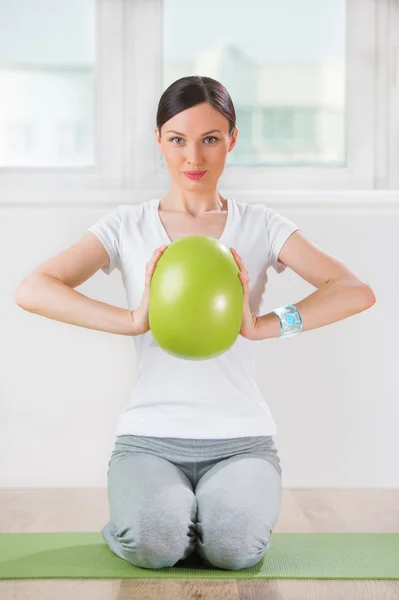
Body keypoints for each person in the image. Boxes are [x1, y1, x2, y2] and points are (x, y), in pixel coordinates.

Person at [14, 75, 375, 571]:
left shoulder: (260, 225)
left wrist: (263, 325)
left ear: (232, 139)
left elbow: (354, 290)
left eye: (210, 139)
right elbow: (34, 288)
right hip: (148, 438)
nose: (193, 159)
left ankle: (196, 520)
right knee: (154, 544)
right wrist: (131, 321)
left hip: (243, 441)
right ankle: (141, 523)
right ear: (158, 140)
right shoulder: (127, 225)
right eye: (177, 140)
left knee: (234, 549)